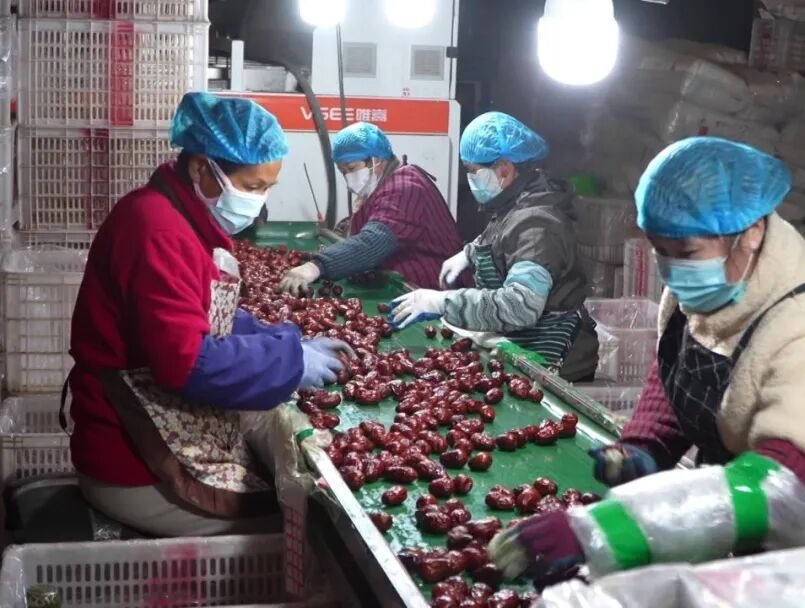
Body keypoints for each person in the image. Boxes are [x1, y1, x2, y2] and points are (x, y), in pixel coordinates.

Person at [487, 137, 805, 581]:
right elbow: (680, 370)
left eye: (686, 253)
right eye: (661, 251)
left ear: (751, 233)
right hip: (738, 507)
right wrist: (645, 445)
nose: (673, 270)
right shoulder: (709, 287)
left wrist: (602, 531)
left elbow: (779, 488)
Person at [68, 92, 352, 537]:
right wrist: (290, 363)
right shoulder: (158, 230)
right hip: (133, 462)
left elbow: (200, 314)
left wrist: (280, 340)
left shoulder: (181, 219)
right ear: (201, 168)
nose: (258, 201)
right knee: (303, 526)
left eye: (267, 188)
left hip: (148, 439)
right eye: (252, 187)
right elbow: (187, 362)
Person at [390, 112, 599, 382]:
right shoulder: (516, 200)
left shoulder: (539, 226)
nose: (470, 179)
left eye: (472, 171)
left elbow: (519, 306)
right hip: (522, 343)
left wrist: (444, 303)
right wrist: (469, 253)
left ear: (504, 169)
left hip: (553, 356)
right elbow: (502, 235)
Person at [279, 122, 465, 292]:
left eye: (352, 168)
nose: (348, 177)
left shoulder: (405, 187)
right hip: (404, 287)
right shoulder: (381, 188)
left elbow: (374, 241)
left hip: (434, 290)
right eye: (343, 172)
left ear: (377, 161)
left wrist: (316, 267)